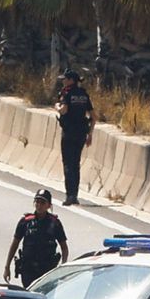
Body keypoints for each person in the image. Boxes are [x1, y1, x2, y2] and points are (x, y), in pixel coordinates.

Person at [3, 189, 70, 288]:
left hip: (47, 269)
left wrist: (62, 268)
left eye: (42, 202)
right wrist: (7, 267)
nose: (39, 205)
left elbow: (64, 248)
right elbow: (15, 244)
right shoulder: (25, 222)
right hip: (28, 269)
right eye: (37, 202)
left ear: (49, 205)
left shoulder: (55, 223)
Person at [54, 69, 95, 206]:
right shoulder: (84, 94)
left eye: (65, 79)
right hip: (81, 133)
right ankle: (75, 195)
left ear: (71, 80)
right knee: (76, 164)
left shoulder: (67, 93)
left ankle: (69, 195)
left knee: (68, 164)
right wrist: (90, 134)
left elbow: (64, 110)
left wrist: (57, 107)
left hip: (69, 132)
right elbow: (93, 117)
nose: (63, 81)